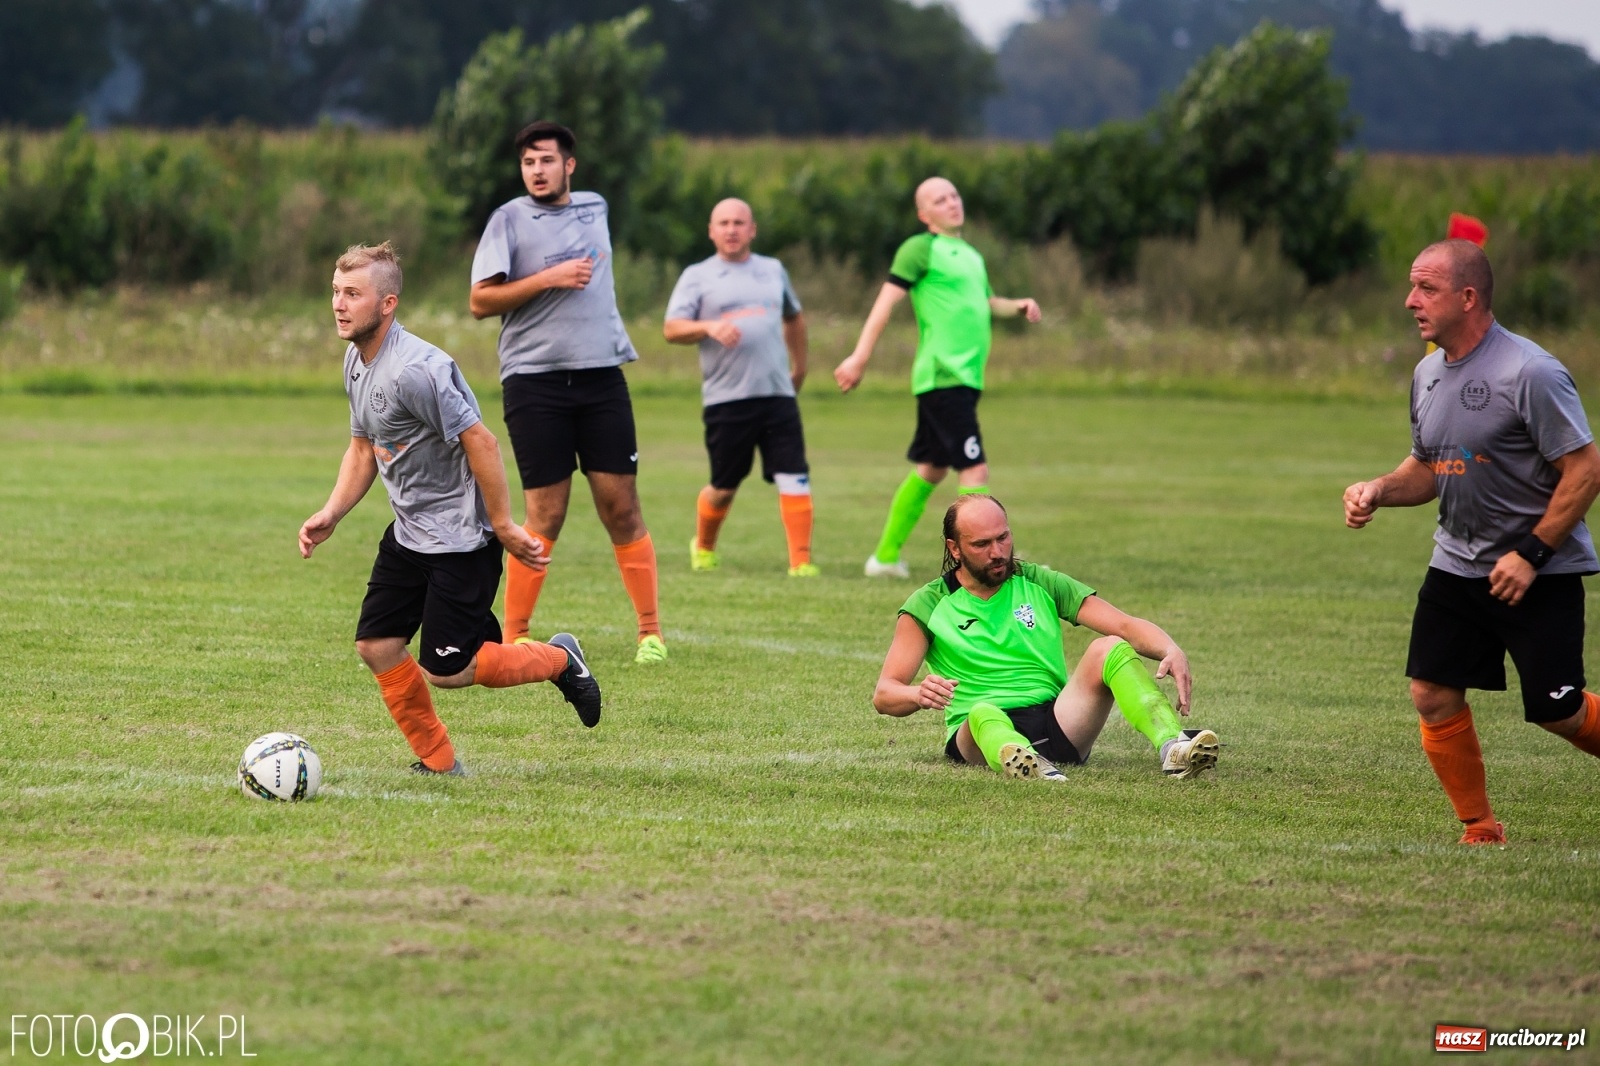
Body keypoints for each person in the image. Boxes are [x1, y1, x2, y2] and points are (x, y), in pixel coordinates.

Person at [299, 243, 602, 775]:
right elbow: (364, 447)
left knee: (450, 667)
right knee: (376, 645)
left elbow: (481, 441)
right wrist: (332, 512)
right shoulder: (356, 359)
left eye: (352, 293)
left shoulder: (419, 370)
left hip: (462, 540)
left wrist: (504, 524)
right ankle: (438, 761)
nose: (339, 305)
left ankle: (558, 661)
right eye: (335, 292)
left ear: (387, 303)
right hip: (411, 532)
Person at [1343, 239, 1600, 845]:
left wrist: (1532, 553)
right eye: (1411, 287)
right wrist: (1380, 488)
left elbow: (1585, 470)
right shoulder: (1428, 372)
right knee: (1432, 692)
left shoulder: (1530, 372)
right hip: (1456, 566)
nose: (1410, 301)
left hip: (1541, 571)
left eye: (1425, 289)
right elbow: (1431, 468)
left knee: (1559, 711)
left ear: (1468, 297)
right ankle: (1480, 828)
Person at [469, 120, 666, 664]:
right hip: (535, 381)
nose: (537, 171)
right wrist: (548, 278)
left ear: (568, 166)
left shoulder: (596, 207)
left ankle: (650, 632)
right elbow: (480, 301)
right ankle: (516, 634)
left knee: (621, 506)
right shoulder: (507, 219)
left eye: (546, 161)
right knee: (546, 513)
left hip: (603, 375)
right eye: (528, 162)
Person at [871, 494, 1220, 780]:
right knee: (982, 711)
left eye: (1003, 538)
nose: (998, 552)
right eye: (982, 544)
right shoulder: (928, 603)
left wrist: (1169, 648)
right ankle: (1025, 764)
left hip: (1057, 721)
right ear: (955, 548)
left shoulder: (1039, 581)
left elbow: (1124, 625)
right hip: (978, 734)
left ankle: (1173, 746)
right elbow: (885, 693)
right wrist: (917, 693)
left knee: (1109, 647)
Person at [833, 176, 1042, 579]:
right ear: (923, 214)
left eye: (954, 195)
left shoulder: (970, 255)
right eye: (939, 199)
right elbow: (885, 303)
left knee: (931, 468)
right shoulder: (919, 249)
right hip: (943, 375)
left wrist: (1017, 305)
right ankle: (986, 560)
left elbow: (983, 303)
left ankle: (885, 557)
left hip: (963, 379)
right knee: (974, 470)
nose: (951, 203)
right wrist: (859, 357)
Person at [663, 198, 816, 577]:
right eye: (723, 223)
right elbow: (671, 328)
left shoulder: (773, 269)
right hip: (727, 399)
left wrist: (800, 367)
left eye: (739, 222)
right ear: (711, 231)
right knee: (724, 486)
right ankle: (704, 545)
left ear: (752, 230)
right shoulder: (698, 276)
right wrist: (709, 327)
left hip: (778, 395)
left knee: (794, 475)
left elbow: (794, 318)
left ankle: (801, 563)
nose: (731, 229)